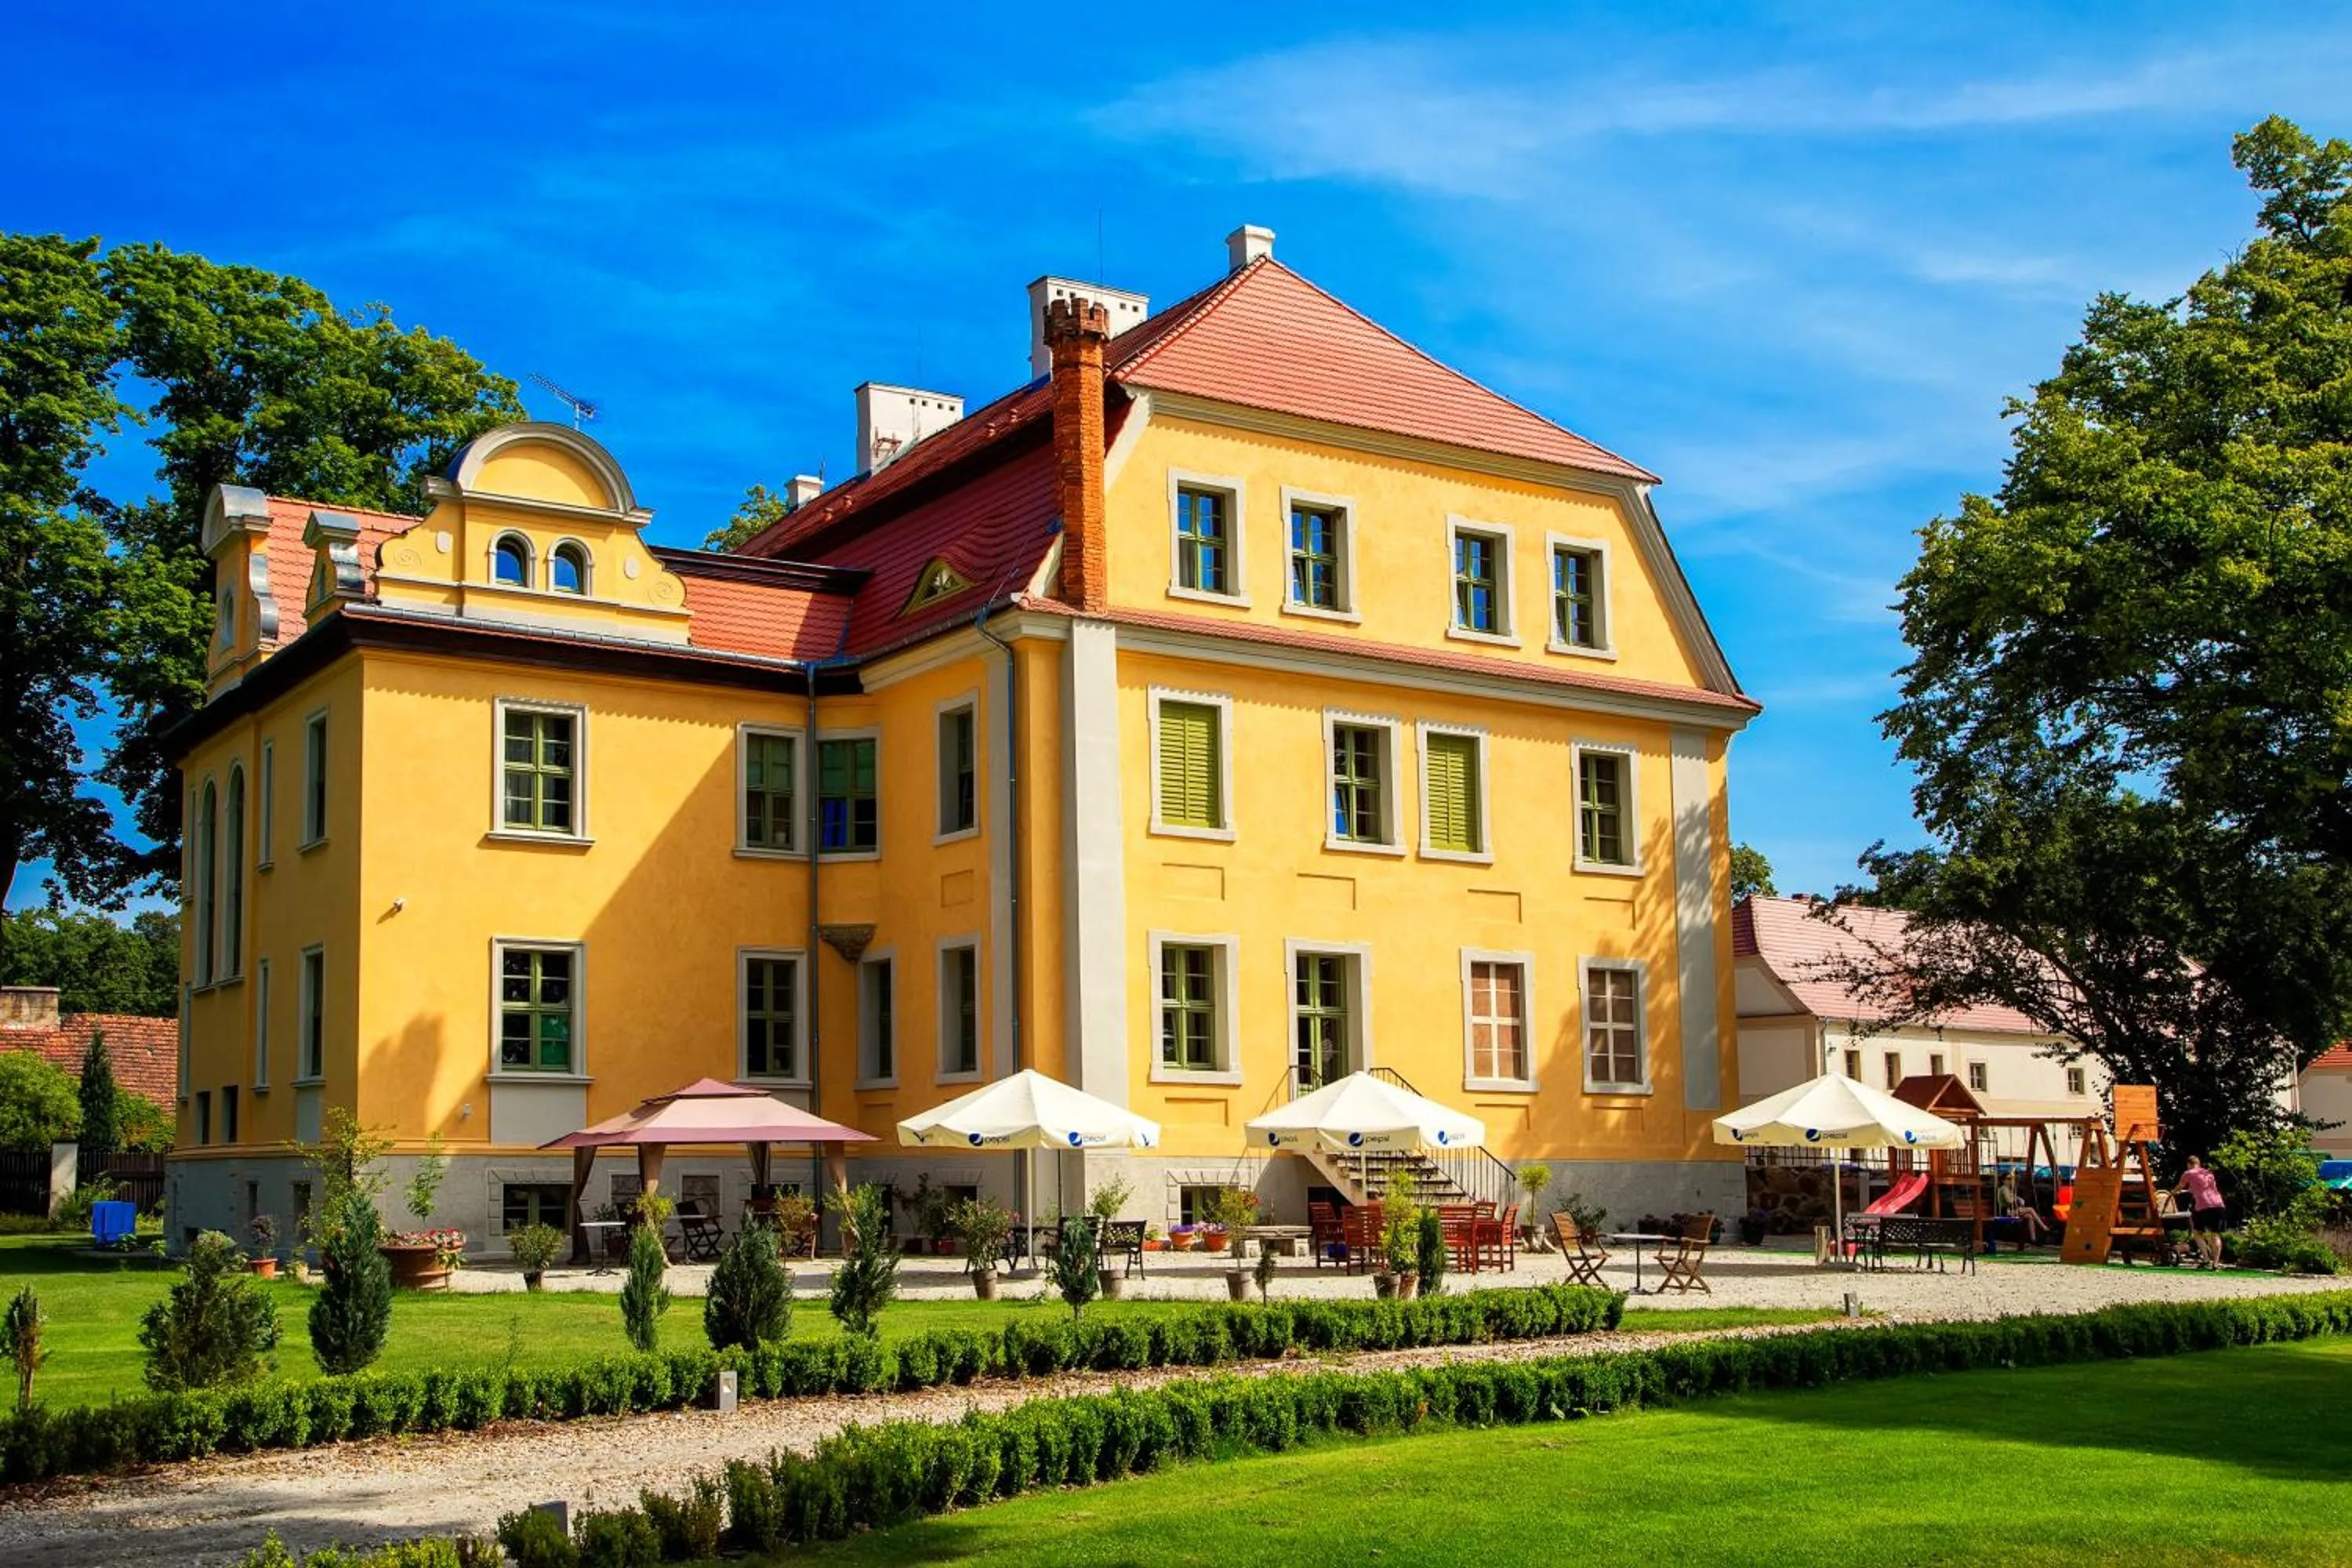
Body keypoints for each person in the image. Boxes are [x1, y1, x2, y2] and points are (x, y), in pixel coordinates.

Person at [2176, 1155, 2227, 1269]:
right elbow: (2202, 1188)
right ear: (2199, 1164)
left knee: (2197, 1233)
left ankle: (2206, 1258)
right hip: (2219, 1205)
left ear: (2189, 1164)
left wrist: (2173, 1192)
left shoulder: (2188, 1173)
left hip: (2203, 1206)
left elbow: (2180, 1186)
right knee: (2215, 1235)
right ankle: (2216, 1263)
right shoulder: (2208, 1173)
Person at [1996, 1174, 2050, 1246]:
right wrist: (2017, 1199)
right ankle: (2043, 1227)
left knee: (2029, 1216)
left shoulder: (2009, 1189)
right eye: (2008, 1179)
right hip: (2007, 1211)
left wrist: (2018, 1199)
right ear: (2003, 1181)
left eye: (2012, 1179)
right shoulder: (2004, 1189)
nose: (2011, 1181)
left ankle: (2033, 1239)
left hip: (2012, 1210)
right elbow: (2009, 1201)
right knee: (2030, 1209)